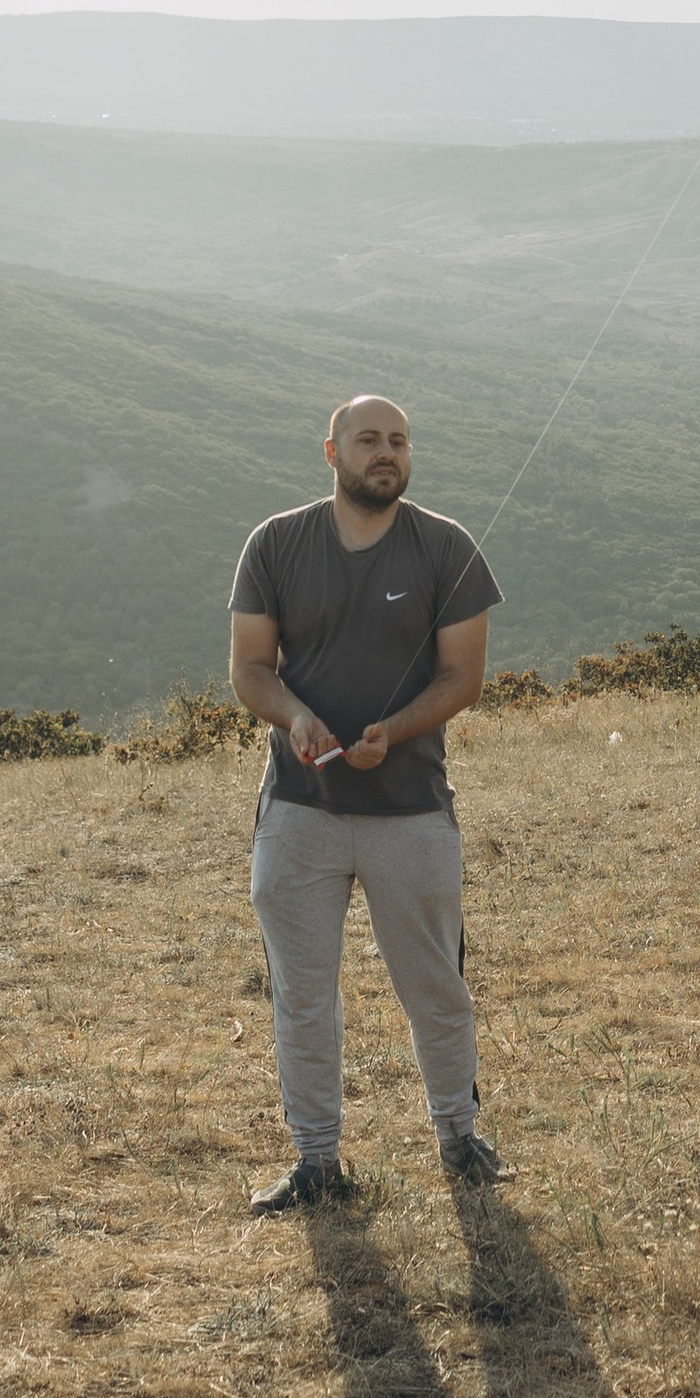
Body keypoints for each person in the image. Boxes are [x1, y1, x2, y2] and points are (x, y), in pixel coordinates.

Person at [228, 393, 505, 1215]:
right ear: (331, 451)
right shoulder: (275, 543)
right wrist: (296, 719)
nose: (385, 452)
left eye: (399, 441)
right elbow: (250, 668)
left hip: (412, 807)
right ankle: (316, 1161)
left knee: (434, 985)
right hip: (299, 811)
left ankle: (460, 1139)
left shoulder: (446, 547)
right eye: (368, 439)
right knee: (300, 991)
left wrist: (396, 728)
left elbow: (465, 676)